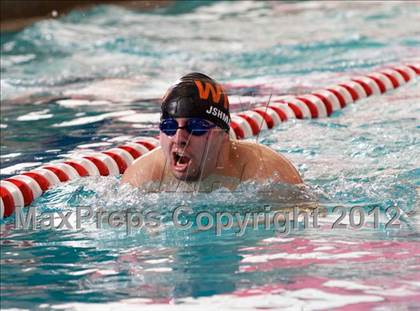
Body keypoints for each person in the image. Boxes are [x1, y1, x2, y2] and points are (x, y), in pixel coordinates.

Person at [121, 73, 303, 192]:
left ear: (223, 135)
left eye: (196, 127)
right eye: (169, 126)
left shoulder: (267, 171)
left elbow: (306, 218)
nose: (179, 138)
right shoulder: (141, 178)